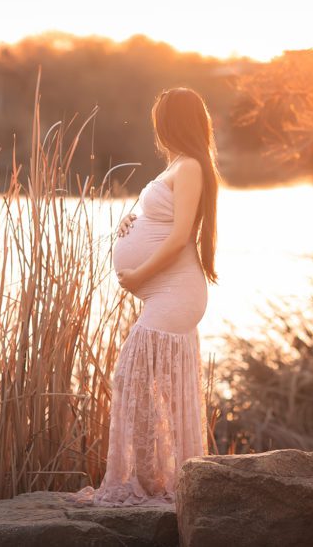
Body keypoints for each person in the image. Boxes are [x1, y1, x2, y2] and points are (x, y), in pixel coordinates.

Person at [65, 87, 221, 507]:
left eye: (161, 120)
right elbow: (164, 221)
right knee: (145, 384)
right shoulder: (179, 165)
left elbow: (178, 238)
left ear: (172, 123)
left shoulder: (190, 166)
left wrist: (136, 273)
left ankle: (158, 482)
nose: (156, 128)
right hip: (166, 291)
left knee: (131, 377)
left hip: (176, 290)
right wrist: (132, 222)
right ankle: (160, 479)